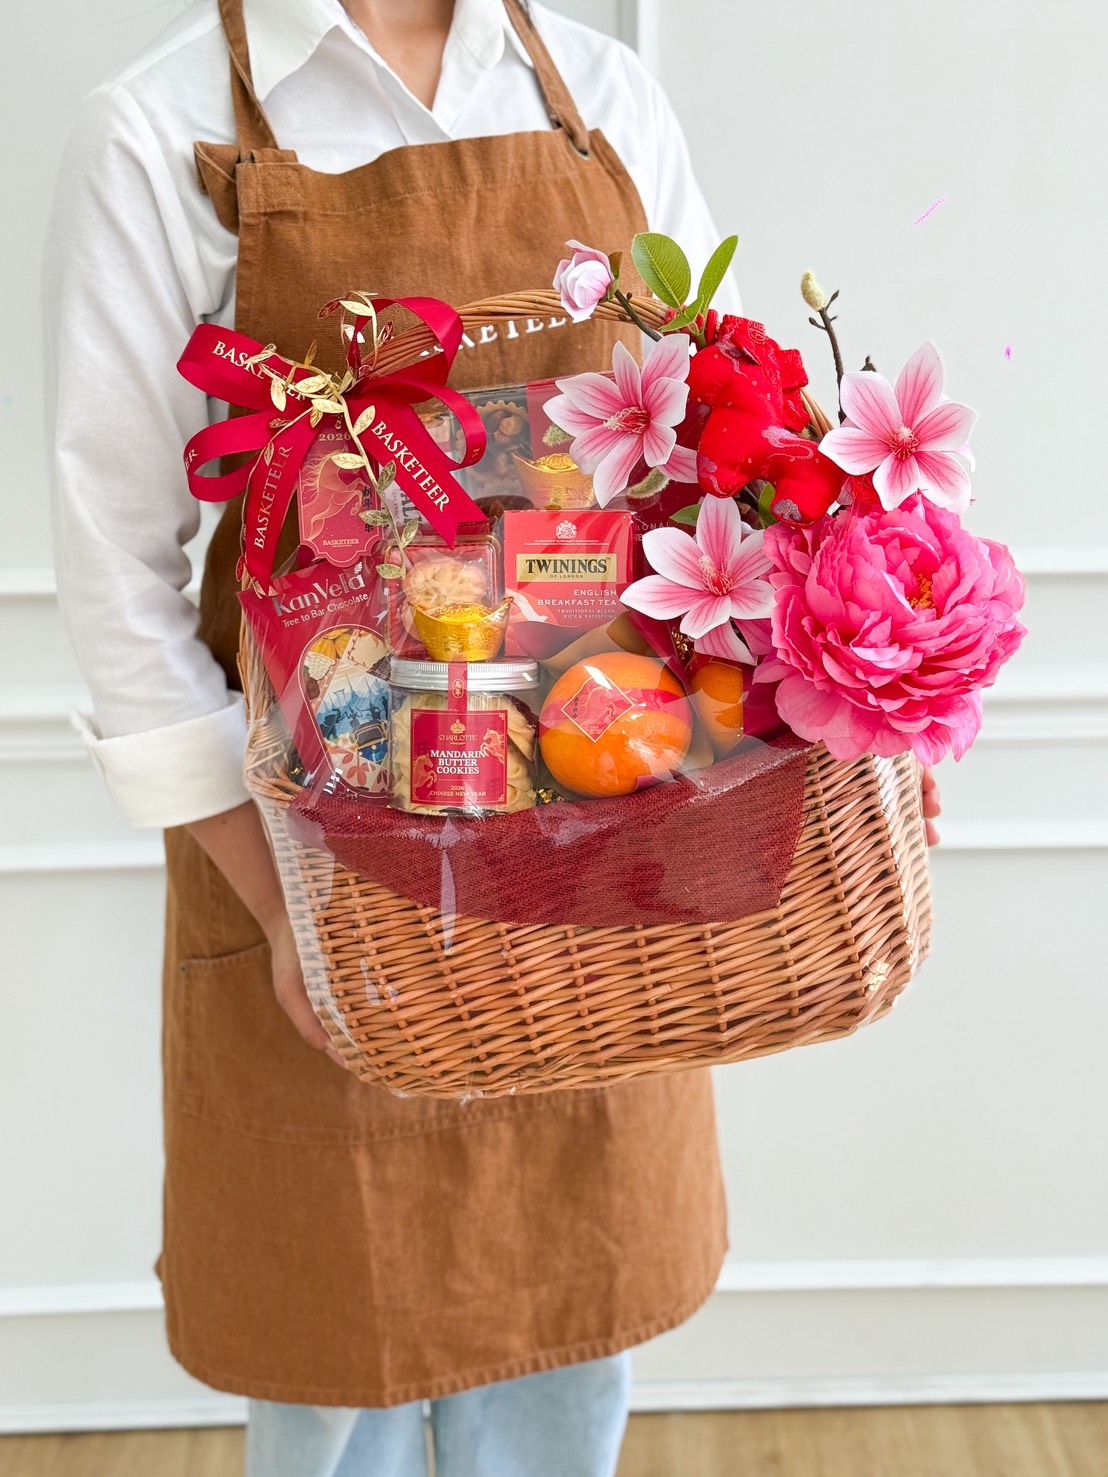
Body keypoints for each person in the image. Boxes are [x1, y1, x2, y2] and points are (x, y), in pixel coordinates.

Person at [44, 3, 753, 1473]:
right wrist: (289, 916)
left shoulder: (602, 97)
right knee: (333, 1382)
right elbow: (118, 581)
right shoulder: (158, 130)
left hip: (590, 876)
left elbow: (713, 461)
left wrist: (829, 722)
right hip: (318, 892)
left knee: (570, 1375)